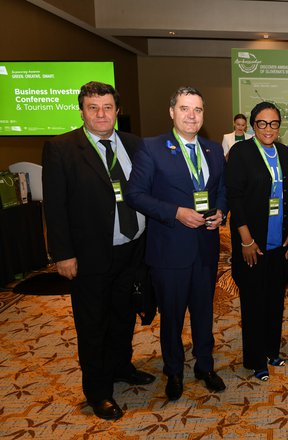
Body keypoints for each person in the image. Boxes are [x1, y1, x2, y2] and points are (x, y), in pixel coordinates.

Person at [42, 81, 155, 421]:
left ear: (117, 110)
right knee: (92, 325)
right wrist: (62, 254)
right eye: (93, 108)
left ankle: (122, 366)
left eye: (107, 107)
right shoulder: (62, 148)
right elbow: (55, 207)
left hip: (132, 249)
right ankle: (97, 391)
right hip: (90, 255)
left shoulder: (135, 145)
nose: (101, 114)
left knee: (123, 315)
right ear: (82, 111)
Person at [126, 86, 228, 401]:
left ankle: (205, 366)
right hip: (169, 251)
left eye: (197, 109)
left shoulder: (212, 149)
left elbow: (221, 189)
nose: (191, 115)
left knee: (203, 313)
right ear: (172, 112)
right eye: (185, 108)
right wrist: (176, 213)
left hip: (206, 249)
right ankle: (174, 370)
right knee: (171, 317)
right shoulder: (151, 148)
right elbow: (135, 195)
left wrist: (221, 211)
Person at [225, 102, 288, 382]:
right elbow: (235, 198)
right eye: (262, 123)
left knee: (275, 297)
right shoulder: (241, 152)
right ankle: (255, 359)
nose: (268, 129)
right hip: (252, 241)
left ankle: (271, 349)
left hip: (279, 240)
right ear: (253, 125)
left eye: (274, 123)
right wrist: (245, 240)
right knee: (254, 300)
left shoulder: (284, 152)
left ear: (279, 126)